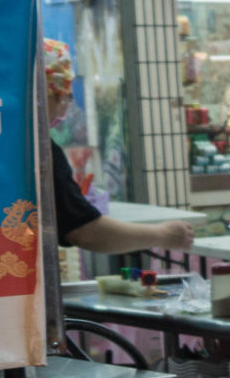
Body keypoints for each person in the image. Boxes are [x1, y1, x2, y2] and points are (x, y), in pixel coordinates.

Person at [44, 39, 195, 255]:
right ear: (45, 94)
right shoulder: (39, 152)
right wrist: (163, 234)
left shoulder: (6, 140)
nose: (63, 109)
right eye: (64, 97)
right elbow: (84, 231)